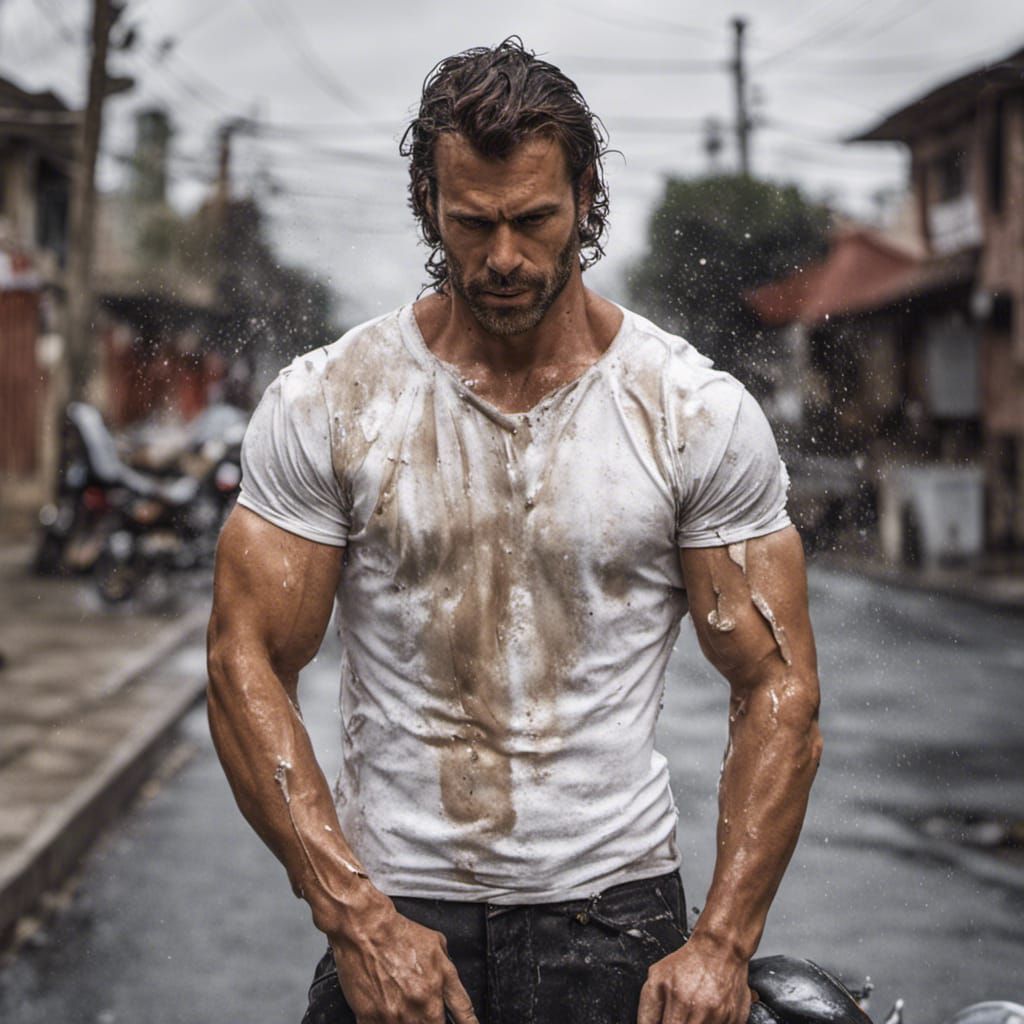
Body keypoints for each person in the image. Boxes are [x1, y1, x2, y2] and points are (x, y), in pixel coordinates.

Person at [206, 38, 823, 1024]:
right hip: (397, 907)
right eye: (472, 222)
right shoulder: (332, 400)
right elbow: (244, 661)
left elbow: (777, 687)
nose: (502, 257)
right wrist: (356, 920)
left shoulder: (692, 413)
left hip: (616, 911)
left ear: (586, 197)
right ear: (428, 206)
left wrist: (721, 944)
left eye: (533, 219)